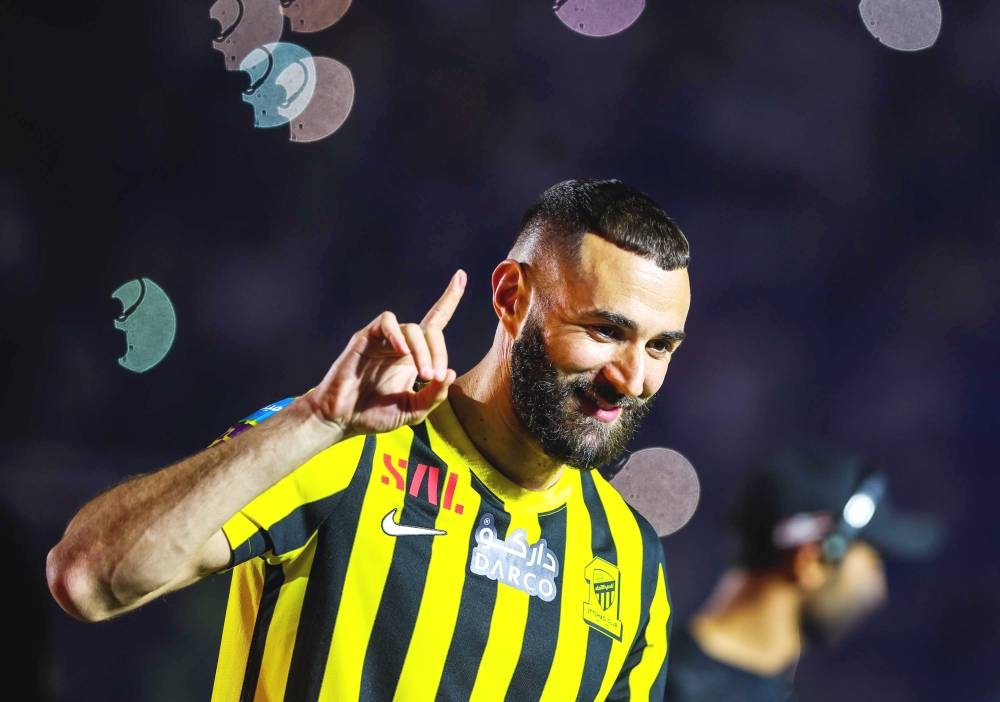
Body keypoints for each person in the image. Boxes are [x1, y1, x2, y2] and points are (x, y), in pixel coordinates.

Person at [47, 178, 693, 701]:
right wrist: (314, 421)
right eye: (606, 331)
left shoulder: (631, 561)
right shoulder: (346, 445)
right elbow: (88, 578)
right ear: (510, 297)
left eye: (660, 346)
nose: (631, 377)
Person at [664, 449, 943, 702]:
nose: (879, 589)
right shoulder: (663, 685)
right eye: (873, 561)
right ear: (812, 561)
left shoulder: (668, 669)